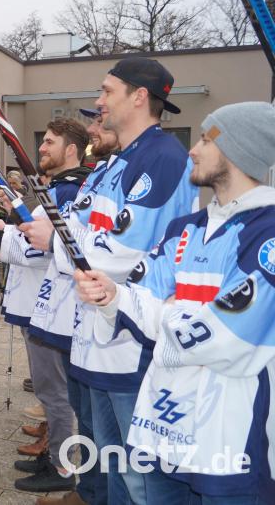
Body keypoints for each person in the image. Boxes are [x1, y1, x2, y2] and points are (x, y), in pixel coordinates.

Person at [75, 102, 275, 503]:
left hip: (228, 433)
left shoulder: (266, 233)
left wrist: (162, 311)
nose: (194, 150)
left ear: (238, 150)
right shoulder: (185, 228)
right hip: (162, 419)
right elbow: (137, 294)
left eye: (205, 138)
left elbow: (230, 337)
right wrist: (116, 296)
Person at [19, 57, 198, 505]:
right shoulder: (120, 161)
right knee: (111, 460)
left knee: (139, 475)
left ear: (139, 96)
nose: (98, 102)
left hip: (132, 340)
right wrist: (61, 239)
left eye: (107, 91)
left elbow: (123, 249)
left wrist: (54, 243)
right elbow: (80, 225)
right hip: (97, 335)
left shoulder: (162, 157)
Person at [0, 118, 93, 494]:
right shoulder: (58, 189)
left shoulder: (67, 193)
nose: (41, 149)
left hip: (53, 305)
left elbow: (45, 248)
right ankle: (54, 457)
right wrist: (6, 229)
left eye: (49, 142)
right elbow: (35, 234)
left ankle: (62, 469)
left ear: (71, 149)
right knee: (50, 390)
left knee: (55, 393)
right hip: (41, 303)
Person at [26, 108, 119, 505]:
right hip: (71, 313)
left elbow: (84, 246)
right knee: (82, 406)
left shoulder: (73, 188)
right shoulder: (87, 181)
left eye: (49, 141)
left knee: (88, 411)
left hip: (89, 311)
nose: (95, 128)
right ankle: (87, 486)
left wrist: (12, 237)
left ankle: (74, 474)